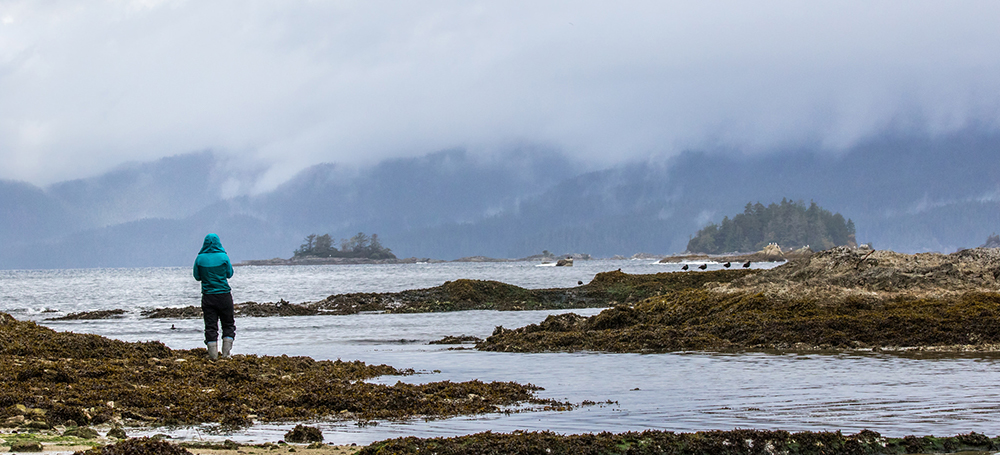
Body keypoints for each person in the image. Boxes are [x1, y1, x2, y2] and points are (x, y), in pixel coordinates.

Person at [193, 233, 235, 360]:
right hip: (224, 296)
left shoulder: (199, 259)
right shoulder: (224, 257)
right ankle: (226, 354)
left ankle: (213, 356)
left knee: (210, 326)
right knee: (228, 324)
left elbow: (197, 277)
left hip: (208, 296)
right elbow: (229, 274)